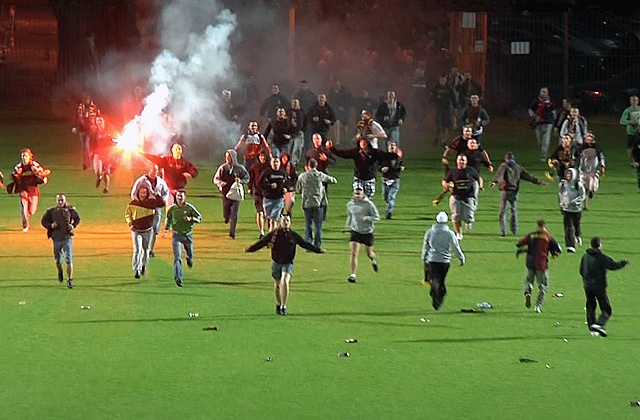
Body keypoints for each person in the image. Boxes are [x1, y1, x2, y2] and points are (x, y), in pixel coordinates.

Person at [245, 214, 325, 316]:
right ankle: (278, 304)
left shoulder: (294, 235)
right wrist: (250, 249)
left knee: (285, 281)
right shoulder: (274, 234)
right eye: (283, 220)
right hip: (276, 262)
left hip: (288, 263)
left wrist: (318, 250)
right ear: (280, 222)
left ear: (290, 222)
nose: (285, 222)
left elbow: (305, 244)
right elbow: (262, 243)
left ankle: (283, 306)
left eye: (287, 220)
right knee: (277, 284)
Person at [579, 237, 631, 337]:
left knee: (591, 306)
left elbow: (581, 271)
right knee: (607, 309)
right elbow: (613, 265)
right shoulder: (601, 257)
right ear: (599, 245)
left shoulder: (585, 257)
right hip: (599, 287)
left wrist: (587, 280)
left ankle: (592, 328)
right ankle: (599, 324)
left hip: (587, 286)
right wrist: (624, 262)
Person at [490, 152, 548, 236]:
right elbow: (528, 176)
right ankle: (514, 230)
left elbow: (499, 175)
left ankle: (503, 232)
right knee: (513, 211)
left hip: (505, 191)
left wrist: (494, 182)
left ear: (506, 159)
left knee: (502, 212)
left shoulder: (504, 165)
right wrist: (539, 182)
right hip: (514, 191)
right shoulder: (518, 167)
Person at [327, 137, 399, 199]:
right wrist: (331, 148)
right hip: (359, 178)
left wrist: (396, 155)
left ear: (367, 143)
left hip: (370, 179)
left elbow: (384, 156)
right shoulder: (355, 152)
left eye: (364, 142)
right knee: (358, 195)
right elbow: (343, 154)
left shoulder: (374, 152)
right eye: (361, 142)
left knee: (368, 199)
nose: (363, 143)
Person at [421, 211, 465, 310]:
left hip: (432, 260)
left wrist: (424, 258)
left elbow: (426, 246)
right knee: (440, 280)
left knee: (436, 280)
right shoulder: (449, 233)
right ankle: (438, 298)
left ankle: (435, 295)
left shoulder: (430, 232)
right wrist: (461, 258)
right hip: (445, 262)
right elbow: (455, 247)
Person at [516, 220, 562, 313]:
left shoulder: (531, 235)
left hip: (530, 263)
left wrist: (527, 249)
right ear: (545, 227)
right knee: (543, 286)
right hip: (541, 264)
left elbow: (519, 243)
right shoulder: (548, 236)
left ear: (537, 226)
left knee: (529, 281)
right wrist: (552, 251)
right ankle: (538, 306)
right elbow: (559, 249)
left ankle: (528, 293)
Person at [41, 194, 81, 289]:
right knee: (58, 261)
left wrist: (73, 225)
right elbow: (43, 221)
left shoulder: (70, 210)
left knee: (68, 259)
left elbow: (77, 219)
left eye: (61, 200)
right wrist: (50, 226)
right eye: (58, 200)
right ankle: (60, 271)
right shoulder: (51, 211)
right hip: (56, 239)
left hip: (67, 238)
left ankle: (70, 280)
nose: (60, 202)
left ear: (65, 200)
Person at [295, 158, 337, 248]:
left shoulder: (302, 176)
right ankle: (317, 245)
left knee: (308, 225)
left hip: (307, 203)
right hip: (318, 204)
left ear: (308, 166)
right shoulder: (320, 175)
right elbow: (333, 180)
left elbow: (297, 189)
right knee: (318, 226)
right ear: (316, 165)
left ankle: (308, 243)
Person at [131, 164, 171, 257]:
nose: (155, 172)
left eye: (156, 170)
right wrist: (140, 202)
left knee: (155, 228)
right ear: (149, 170)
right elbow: (134, 193)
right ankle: (143, 248)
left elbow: (166, 192)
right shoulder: (141, 181)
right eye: (153, 170)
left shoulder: (161, 182)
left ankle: (151, 250)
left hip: (156, 208)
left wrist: (162, 200)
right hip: (145, 208)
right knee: (144, 227)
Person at [125, 186, 165, 279]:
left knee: (146, 250)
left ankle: (143, 266)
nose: (143, 194)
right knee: (137, 250)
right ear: (138, 193)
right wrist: (130, 223)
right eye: (141, 192)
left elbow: (162, 203)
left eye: (145, 193)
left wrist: (156, 194)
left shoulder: (151, 203)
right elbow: (127, 214)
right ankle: (137, 270)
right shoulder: (133, 203)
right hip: (136, 230)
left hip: (147, 230)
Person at [142, 142, 198, 207]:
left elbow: (195, 172)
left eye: (179, 149)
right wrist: (143, 154)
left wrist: (190, 174)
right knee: (170, 207)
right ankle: (168, 216)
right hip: (168, 189)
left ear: (181, 151)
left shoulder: (184, 162)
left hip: (180, 189)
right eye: (176, 149)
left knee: (179, 209)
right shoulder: (167, 160)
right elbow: (155, 159)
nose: (178, 150)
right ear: (172, 150)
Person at [165, 190, 202, 287]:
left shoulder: (189, 208)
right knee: (177, 257)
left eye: (181, 196)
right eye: (178, 196)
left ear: (185, 197)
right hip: (176, 235)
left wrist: (191, 219)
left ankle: (189, 258)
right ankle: (178, 277)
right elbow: (168, 219)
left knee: (189, 253)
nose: (179, 198)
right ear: (176, 197)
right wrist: (166, 229)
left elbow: (199, 217)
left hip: (187, 235)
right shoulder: (172, 209)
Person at [10, 148, 51, 232]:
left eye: (25, 156)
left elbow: (42, 173)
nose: (24, 158)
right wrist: (16, 176)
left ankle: (27, 215)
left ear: (30, 156)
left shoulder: (34, 165)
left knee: (32, 210)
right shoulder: (19, 167)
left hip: (33, 189)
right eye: (22, 156)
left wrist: (43, 177)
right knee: (24, 206)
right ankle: (26, 226)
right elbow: (14, 176)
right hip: (23, 189)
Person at [345, 186, 380, 283]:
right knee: (354, 253)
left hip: (367, 232)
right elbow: (350, 216)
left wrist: (366, 218)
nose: (357, 196)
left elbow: (377, 217)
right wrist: (347, 227)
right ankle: (353, 275)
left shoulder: (369, 204)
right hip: (355, 231)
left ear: (363, 194)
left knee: (369, 253)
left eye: (359, 194)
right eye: (355, 194)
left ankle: (373, 260)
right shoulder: (350, 204)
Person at [213, 149, 250, 239]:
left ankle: (232, 233)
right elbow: (216, 179)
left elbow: (247, 177)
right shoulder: (223, 168)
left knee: (234, 213)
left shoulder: (240, 168)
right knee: (226, 210)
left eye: (229, 157)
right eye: (226, 157)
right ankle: (226, 217)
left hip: (236, 193)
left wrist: (241, 181)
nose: (227, 159)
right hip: (226, 193)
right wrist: (222, 184)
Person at [443, 154, 480, 240]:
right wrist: (446, 185)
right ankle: (459, 233)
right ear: (457, 161)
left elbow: (478, 178)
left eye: (463, 160)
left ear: (466, 162)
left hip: (468, 197)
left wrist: (480, 186)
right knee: (455, 216)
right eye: (459, 160)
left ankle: (468, 222)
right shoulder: (453, 172)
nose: (461, 162)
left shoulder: (471, 170)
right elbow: (445, 180)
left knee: (469, 217)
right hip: (456, 197)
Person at [558, 168, 586, 253]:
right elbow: (560, 194)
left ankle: (577, 236)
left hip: (576, 210)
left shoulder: (578, 185)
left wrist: (575, 201)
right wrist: (562, 204)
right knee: (568, 228)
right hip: (567, 209)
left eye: (570, 174)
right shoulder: (562, 184)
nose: (568, 176)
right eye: (567, 174)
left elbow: (582, 195)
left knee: (576, 226)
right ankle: (570, 245)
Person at [258, 155, 288, 233]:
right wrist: (269, 186)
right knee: (269, 219)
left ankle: (272, 239)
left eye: (277, 162)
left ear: (280, 163)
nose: (275, 163)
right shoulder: (267, 172)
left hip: (279, 199)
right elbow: (259, 183)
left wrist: (286, 189)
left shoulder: (282, 173)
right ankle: (270, 236)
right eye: (274, 162)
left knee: (273, 220)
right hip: (268, 199)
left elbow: (287, 183)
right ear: (271, 163)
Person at [91, 116, 120, 194]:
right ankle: (99, 177)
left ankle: (106, 188)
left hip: (107, 155)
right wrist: (91, 152)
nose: (99, 122)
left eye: (100, 121)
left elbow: (115, 140)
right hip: (98, 154)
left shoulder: (108, 131)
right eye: (97, 121)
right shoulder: (95, 132)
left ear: (103, 122)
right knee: (98, 171)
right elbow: (92, 142)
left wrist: (114, 141)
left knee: (106, 173)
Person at [578, 131, 605, 210]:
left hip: (594, 170)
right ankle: (585, 205)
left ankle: (591, 191)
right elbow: (577, 158)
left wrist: (602, 166)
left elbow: (601, 157)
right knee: (583, 188)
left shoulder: (597, 148)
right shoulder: (581, 148)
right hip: (583, 170)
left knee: (592, 187)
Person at [72, 92, 100, 170]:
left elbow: (98, 117)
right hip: (82, 129)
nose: (86, 100)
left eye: (87, 99)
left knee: (87, 145)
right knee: (84, 147)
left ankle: (87, 162)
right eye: (85, 99)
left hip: (90, 129)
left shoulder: (93, 107)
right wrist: (74, 126)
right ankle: (86, 162)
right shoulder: (80, 107)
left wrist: (98, 127)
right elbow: (76, 117)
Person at [528, 87, 556, 161]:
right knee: (539, 140)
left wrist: (554, 121)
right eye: (542, 91)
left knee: (546, 140)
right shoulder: (536, 101)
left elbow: (554, 111)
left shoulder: (551, 102)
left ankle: (544, 155)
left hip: (548, 122)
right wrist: (534, 116)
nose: (543, 93)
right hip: (538, 123)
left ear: (547, 93)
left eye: (544, 92)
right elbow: (530, 110)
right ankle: (542, 148)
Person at [379, 140, 404, 220]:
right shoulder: (384, 157)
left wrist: (401, 168)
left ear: (396, 147)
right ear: (388, 147)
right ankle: (389, 205)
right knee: (385, 196)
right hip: (386, 180)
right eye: (390, 145)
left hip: (395, 180)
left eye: (393, 145)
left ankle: (389, 212)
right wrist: (382, 169)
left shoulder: (398, 157)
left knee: (391, 196)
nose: (392, 147)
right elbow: (378, 166)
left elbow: (401, 165)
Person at [430, 74, 458, 146]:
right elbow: (431, 98)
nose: (442, 81)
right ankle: (436, 138)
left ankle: (443, 141)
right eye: (441, 79)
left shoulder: (449, 88)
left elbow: (453, 98)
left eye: (444, 79)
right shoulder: (435, 88)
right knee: (438, 125)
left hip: (447, 108)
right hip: (438, 108)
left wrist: (455, 107)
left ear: (446, 80)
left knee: (445, 125)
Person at [248, 151, 270, 239]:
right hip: (258, 192)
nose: (262, 158)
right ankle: (262, 232)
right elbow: (251, 178)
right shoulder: (254, 167)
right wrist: (250, 188)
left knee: (268, 214)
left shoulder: (270, 167)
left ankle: (270, 231)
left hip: (268, 194)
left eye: (264, 156)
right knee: (260, 212)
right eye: (261, 156)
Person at [328, 80, 352, 145]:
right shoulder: (331, 92)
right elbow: (330, 102)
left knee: (345, 126)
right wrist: (336, 108)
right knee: (337, 124)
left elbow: (348, 100)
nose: (337, 85)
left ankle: (345, 139)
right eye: (336, 84)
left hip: (344, 112)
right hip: (336, 111)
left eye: (339, 84)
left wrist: (344, 107)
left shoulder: (344, 92)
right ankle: (337, 141)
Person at [619, 94, 640, 166]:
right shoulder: (627, 110)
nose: (634, 102)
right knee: (630, 148)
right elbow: (622, 121)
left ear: (638, 101)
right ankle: (632, 162)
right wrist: (630, 122)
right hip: (631, 132)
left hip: (638, 131)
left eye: (635, 100)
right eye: (632, 100)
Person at [288, 99, 305, 168]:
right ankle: (288, 164)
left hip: (299, 133)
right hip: (290, 133)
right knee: (289, 149)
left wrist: (303, 130)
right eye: (293, 103)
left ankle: (294, 164)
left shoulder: (301, 112)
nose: (294, 105)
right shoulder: (288, 112)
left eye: (296, 103)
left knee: (297, 149)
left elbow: (305, 122)